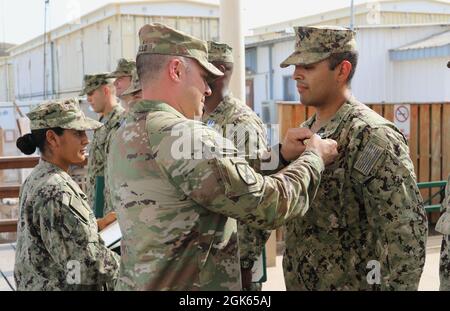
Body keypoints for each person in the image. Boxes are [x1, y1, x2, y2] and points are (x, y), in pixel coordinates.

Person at [107, 23, 338, 291]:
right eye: (204, 78)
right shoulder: (185, 135)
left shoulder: (125, 132)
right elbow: (269, 204)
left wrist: (280, 155)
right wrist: (314, 158)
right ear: (176, 70)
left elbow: (212, 177)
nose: (207, 90)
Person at [279, 25, 428, 291]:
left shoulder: (371, 136)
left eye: (309, 66)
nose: (296, 75)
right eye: (295, 66)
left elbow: (406, 233)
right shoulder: (306, 132)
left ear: (342, 70)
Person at [14, 98, 120, 290]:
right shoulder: (56, 190)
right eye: (77, 133)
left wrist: (96, 226)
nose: (86, 139)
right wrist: (132, 262)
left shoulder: (39, 177)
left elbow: (54, 235)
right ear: (52, 138)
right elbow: (87, 267)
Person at [203, 41, 271, 291]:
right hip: (208, 257)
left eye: (201, 68)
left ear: (218, 71)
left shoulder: (242, 123)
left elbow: (255, 197)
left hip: (235, 265)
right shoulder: (202, 118)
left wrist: (243, 263)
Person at [80, 73, 125, 215]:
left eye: (91, 93)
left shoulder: (122, 122)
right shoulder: (102, 122)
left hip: (112, 206)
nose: (88, 99)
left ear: (105, 90)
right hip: (98, 202)